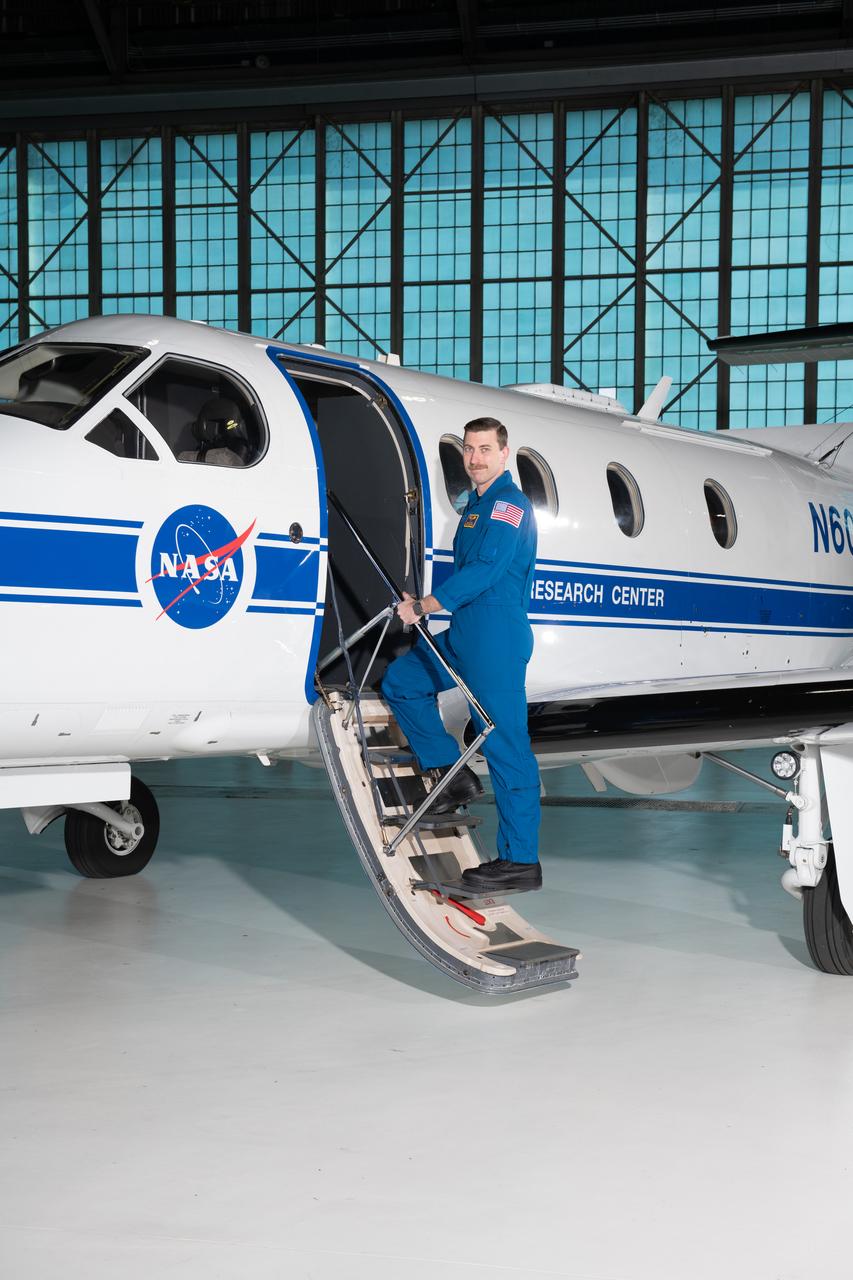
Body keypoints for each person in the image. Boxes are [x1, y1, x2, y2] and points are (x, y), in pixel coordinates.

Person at [381, 416, 542, 891]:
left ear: (503, 453)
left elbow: (488, 571)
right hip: (466, 631)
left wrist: (427, 606)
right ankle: (450, 775)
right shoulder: (474, 507)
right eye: (470, 450)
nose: (475, 458)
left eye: (485, 449)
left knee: (505, 744)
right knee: (402, 682)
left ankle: (519, 860)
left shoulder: (510, 505)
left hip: (496, 634)